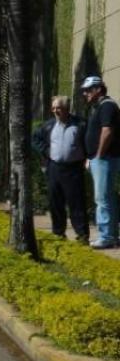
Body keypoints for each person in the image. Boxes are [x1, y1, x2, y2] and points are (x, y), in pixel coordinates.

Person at [32, 96, 89, 244]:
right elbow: (35, 139)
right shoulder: (49, 125)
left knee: (76, 203)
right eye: (53, 108)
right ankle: (58, 233)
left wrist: (88, 157)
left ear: (66, 109)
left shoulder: (80, 124)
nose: (55, 111)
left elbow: (89, 143)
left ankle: (82, 235)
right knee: (55, 202)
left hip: (73, 169)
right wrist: (45, 150)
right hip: (54, 168)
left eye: (58, 108)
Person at [81, 75, 120, 249]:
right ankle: (111, 236)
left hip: (104, 159)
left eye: (88, 90)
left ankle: (105, 236)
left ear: (98, 89)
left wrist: (97, 155)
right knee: (108, 198)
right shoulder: (101, 107)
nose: (85, 93)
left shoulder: (107, 106)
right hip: (101, 159)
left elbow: (107, 131)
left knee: (102, 198)